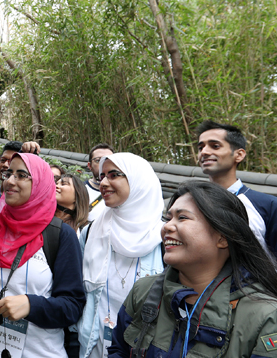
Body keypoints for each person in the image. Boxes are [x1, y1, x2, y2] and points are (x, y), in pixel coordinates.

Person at [108, 181, 277, 357]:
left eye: (182, 218)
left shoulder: (265, 316)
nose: (166, 227)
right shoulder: (143, 292)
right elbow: (118, 350)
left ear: (223, 238)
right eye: (168, 218)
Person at [0, 153, 86, 358]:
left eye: (22, 175)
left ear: (40, 183)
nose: (10, 181)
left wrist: (32, 305)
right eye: (8, 173)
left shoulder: (60, 235)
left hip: (37, 352)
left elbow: (72, 306)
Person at [78, 152, 165, 358]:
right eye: (102, 177)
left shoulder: (165, 238)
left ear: (138, 180)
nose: (104, 183)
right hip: (93, 347)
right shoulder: (91, 232)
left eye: (114, 175)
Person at [195, 120, 277, 258]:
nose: (204, 152)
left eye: (215, 146)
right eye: (200, 148)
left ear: (239, 155)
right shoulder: (192, 203)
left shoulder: (266, 205)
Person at [85, 143, 115, 222]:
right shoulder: (80, 190)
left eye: (109, 160)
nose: (104, 164)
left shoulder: (123, 191)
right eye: (98, 160)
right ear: (89, 166)